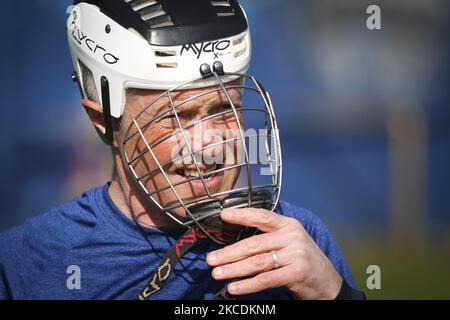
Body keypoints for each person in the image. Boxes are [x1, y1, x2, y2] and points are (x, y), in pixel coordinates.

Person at [0, 0, 365, 300]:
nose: (209, 145)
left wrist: (332, 294)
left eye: (225, 109)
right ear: (103, 123)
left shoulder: (298, 243)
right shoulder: (29, 262)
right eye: (176, 118)